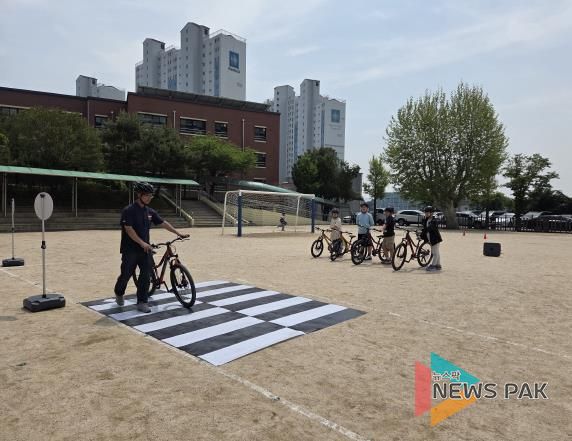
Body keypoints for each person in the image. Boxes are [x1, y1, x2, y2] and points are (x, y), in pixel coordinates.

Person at [114, 182, 189, 313]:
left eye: (151, 196)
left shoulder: (149, 211)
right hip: (130, 249)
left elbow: (163, 223)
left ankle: (142, 302)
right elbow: (129, 229)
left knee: (146, 275)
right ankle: (119, 292)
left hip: (145, 250)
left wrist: (178, 233)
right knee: (126, 275)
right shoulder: (129, 210)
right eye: (147, 195)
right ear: (139, 195)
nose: (149, 198)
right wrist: (142, 243)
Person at [421, 206, 443, 272]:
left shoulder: (434, 220)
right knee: (436, 252)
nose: (426, 214)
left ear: (431, 213)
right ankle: (438, 265)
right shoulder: (427, 219)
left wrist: (423, 232)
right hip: (431, 239)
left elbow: (430, 228)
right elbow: (425, 228)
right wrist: (422, 233)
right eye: (425, 212)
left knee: (435, 252)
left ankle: (433, 265)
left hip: (435, 239)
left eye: (427, 212)